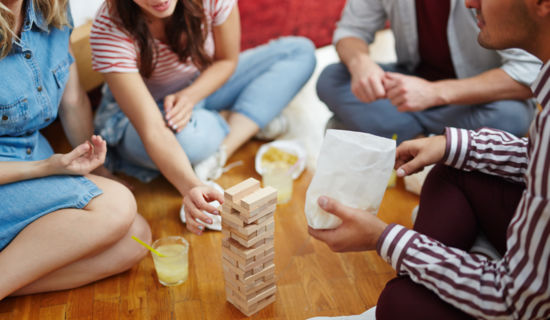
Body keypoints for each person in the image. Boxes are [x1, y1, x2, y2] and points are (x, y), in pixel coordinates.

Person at [309, 0, 550, 318]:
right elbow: (537, 160)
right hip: (414, 90)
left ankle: (392, 129)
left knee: (398, 304)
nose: (471, 3)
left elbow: (515, 300)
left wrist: (382, 237)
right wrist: (449, 143)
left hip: (471, 98)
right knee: (451, 160)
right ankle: (467, 261)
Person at [89, 0, 316, 235]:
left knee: (300, 52)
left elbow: (227, 61)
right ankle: (241, 118)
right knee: (186, 143)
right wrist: (192, 186)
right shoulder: (108, 29)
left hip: (199, 85)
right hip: (142, 115)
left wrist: (190, 96)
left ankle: (220, 149)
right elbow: (153, 129)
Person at [0, 0, 151, 300]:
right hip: (12, 174)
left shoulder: (51, 8)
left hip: (34, 161)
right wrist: (47, 168)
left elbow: (72, 101)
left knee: (137, 238)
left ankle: (12, 276)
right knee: (118, 205)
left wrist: (100, 171)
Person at [316, 0, 541, 144]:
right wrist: (360, 63)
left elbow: (529, 71)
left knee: (512, 115)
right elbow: (351, 30)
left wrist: (435, 92)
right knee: (332, 78)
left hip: (474, 97)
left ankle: (393, 132)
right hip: (410, 83)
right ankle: (439, 141)